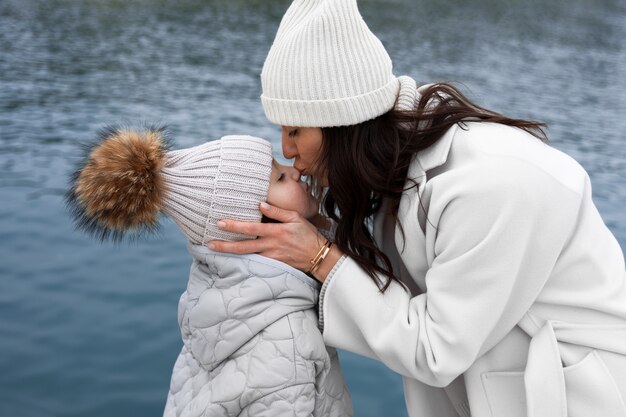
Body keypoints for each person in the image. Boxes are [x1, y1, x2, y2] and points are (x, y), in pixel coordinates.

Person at [207, 1, 626, 416]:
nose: (286, 149)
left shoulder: (488, 185)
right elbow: (407, 289)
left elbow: (435, 350)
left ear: (342, 122)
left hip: (579, 396)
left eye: (295, 129)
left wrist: (320, 257)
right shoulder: (403, 164)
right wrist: (322, 236)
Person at [65, 127, 352, 417]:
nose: (295, 172)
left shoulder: (206, 311)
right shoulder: (288, 337)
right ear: (252, 226)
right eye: (279, 177)